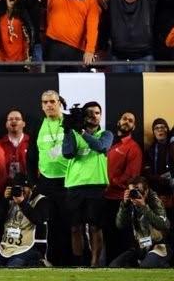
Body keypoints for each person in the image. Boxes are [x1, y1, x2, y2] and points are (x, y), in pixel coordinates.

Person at [62, 101, 113, 267]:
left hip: (96, 186)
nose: (94, 115)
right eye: (90, 112)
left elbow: (100, 147)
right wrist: (68, 131)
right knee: (75, 228)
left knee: (94, 227)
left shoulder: (106, 134)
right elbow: (68, 153)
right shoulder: (74, 133)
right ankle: (80, 262)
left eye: (97, 112)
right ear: (83, 116)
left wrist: (82, 132)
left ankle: (95, 263)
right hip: (74, 186)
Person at [26, 90, 70, 265]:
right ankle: (50, 259)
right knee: (49, 224)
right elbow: (31, 157)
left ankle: (72, 261)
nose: (49, 105)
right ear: (41, 106)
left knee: (69, 224)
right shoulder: (37, 125)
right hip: (46, 182)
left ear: (59, 103)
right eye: (45, 102)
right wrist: (33, 182)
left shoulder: (69, 122)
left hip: (69, 181)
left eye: (52, 101)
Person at [103, 112, 143, 265]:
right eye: (124, 118)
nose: (127, 121)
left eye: (131, 120)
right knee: (107, 237)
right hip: (104, 198)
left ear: (134, 126)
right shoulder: (108, 141)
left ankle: (122, 270)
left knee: (121, 239)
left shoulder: (133, 148)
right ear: (119, 121)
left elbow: (132, 176)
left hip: (120, 201)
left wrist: (111, 182)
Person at [0, 173, 49, 267]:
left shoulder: (41, 201)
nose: (21, 190)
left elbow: (38, 219)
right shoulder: (10, 201)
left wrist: (22, 203)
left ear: (32, 188)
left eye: (24, 187)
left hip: (28, 248)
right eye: (18, 187)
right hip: (5, 248)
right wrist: (4, 200)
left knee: (14, 266)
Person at [109, 176, 171, 268]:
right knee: (114, 266)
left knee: (146, 267)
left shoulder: (155, 201)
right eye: (132, 191)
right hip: (139, 247)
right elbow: (120, 225)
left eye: (138, 190)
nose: (135, 194)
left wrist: (144, 207)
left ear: (146, 191)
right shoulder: (129, 203)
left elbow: (164, 225)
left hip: (158, 246)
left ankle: (163, 266)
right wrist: (124, 206)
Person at [0, 110, 30, 180]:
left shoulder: (32, 143)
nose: (14, 121)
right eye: (10, 119)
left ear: (24, 123)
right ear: (6, 124)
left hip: (28, 186)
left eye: (17, 119)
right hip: (4, 187)